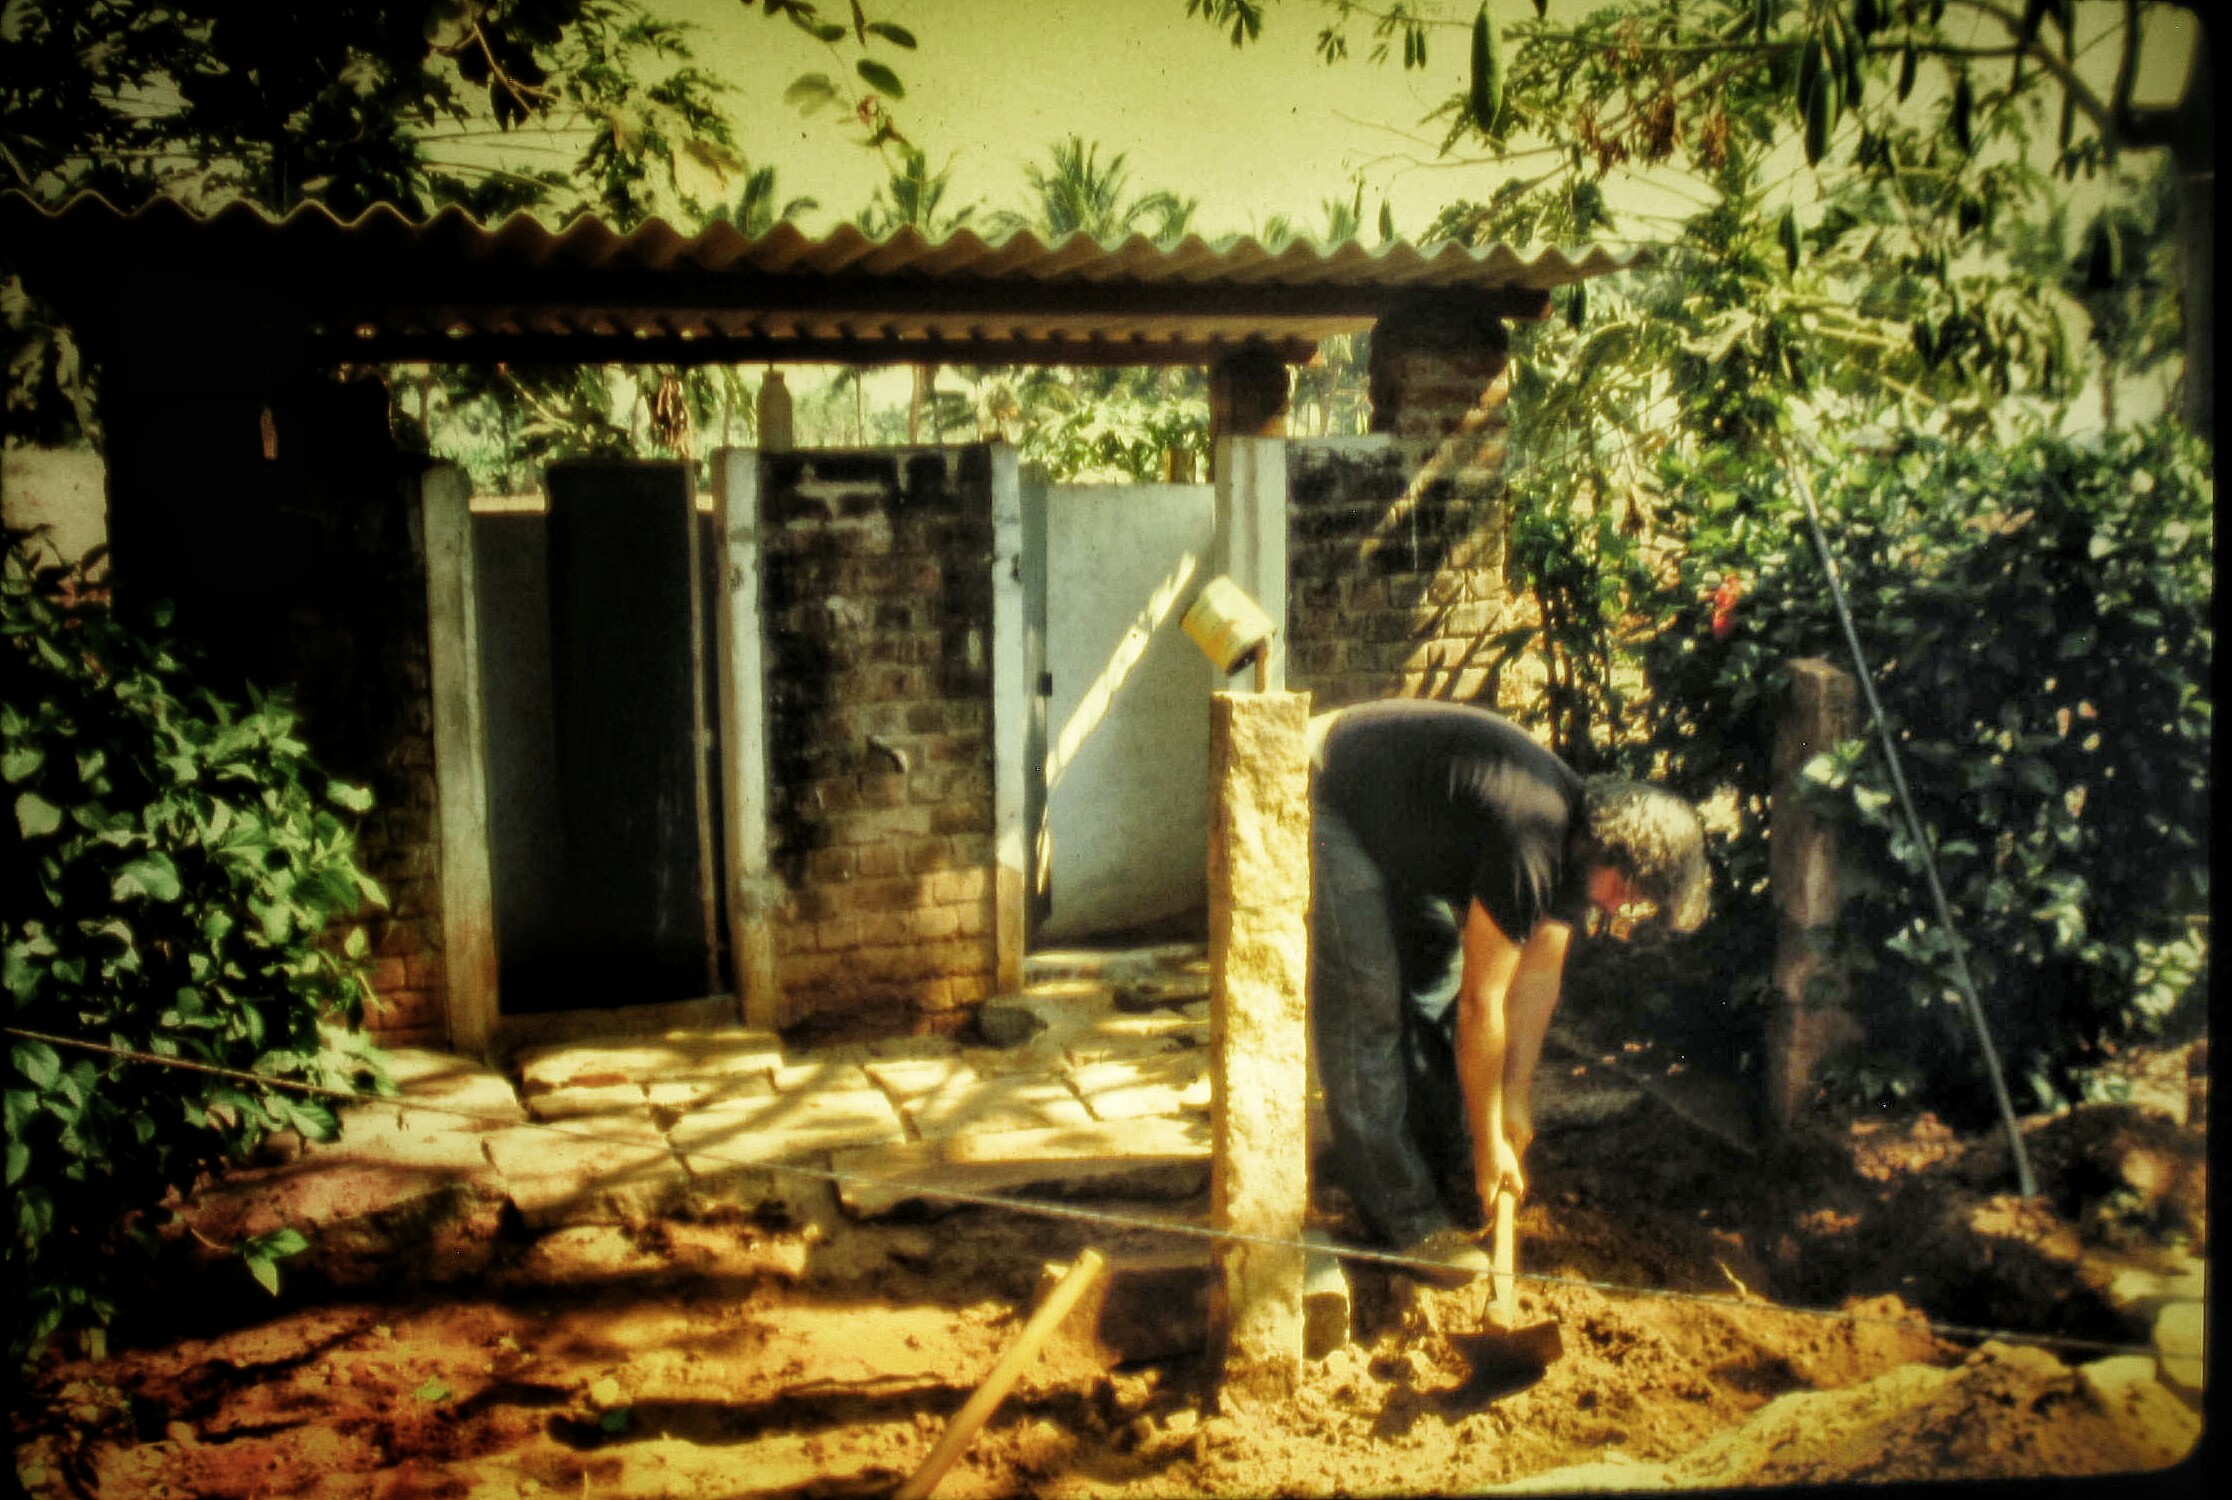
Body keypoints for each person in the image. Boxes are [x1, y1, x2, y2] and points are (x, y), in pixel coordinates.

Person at [1307, 698, 1711, 1284]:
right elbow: (1484, 1006)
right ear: (1613, 851)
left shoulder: (1578, 848)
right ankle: (1404, 1216)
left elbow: (1537, 984)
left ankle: (1440, 1164)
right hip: (1333, 790)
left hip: (1395, 817)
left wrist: (1512, 1105)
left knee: (1432, 980)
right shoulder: (1533, 840)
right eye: (1629, 891)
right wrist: (1488, 1140)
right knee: (1367, 1006)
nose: (1622, 906)